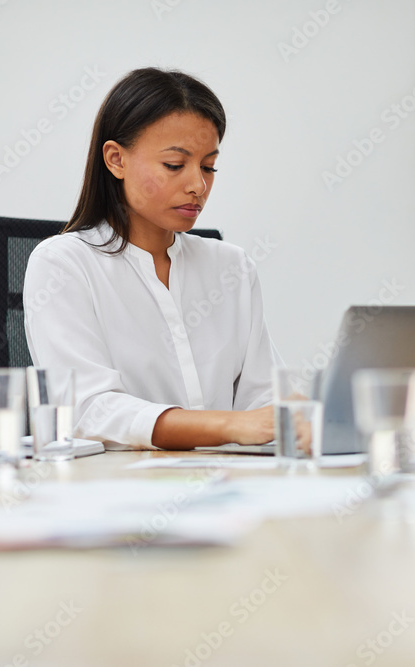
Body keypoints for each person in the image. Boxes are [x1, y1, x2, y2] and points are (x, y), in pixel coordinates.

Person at [24, 67, 283, 450]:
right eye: (175, 165)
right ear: (116, 160)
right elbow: (89, 409)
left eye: (209, 166)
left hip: (228, 489)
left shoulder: (232, 268)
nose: (198, 184)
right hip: (116, 493)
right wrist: (228, 426)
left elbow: (264, 401)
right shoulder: (63, 264)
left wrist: (293, 417)